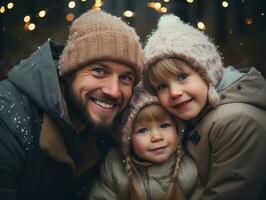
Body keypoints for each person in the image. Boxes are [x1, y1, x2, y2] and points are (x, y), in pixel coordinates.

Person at [0, 10, 144, 200]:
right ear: (68, 73)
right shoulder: (9, 117)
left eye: (125, 78)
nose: (114, 91)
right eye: (99, 71)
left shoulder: (119, 133)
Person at [143, 14, 266, 200]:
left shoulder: (236, 121)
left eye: (182, 77)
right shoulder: (197, 115)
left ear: (207, 73)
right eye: (162, 86)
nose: (174, 92)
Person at [89, 83, 198, 200]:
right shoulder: (115, 166)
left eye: (164, 125)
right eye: (143, 130)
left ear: (177, 130)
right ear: (128, 139)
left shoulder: (188, 171)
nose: (156, 137)